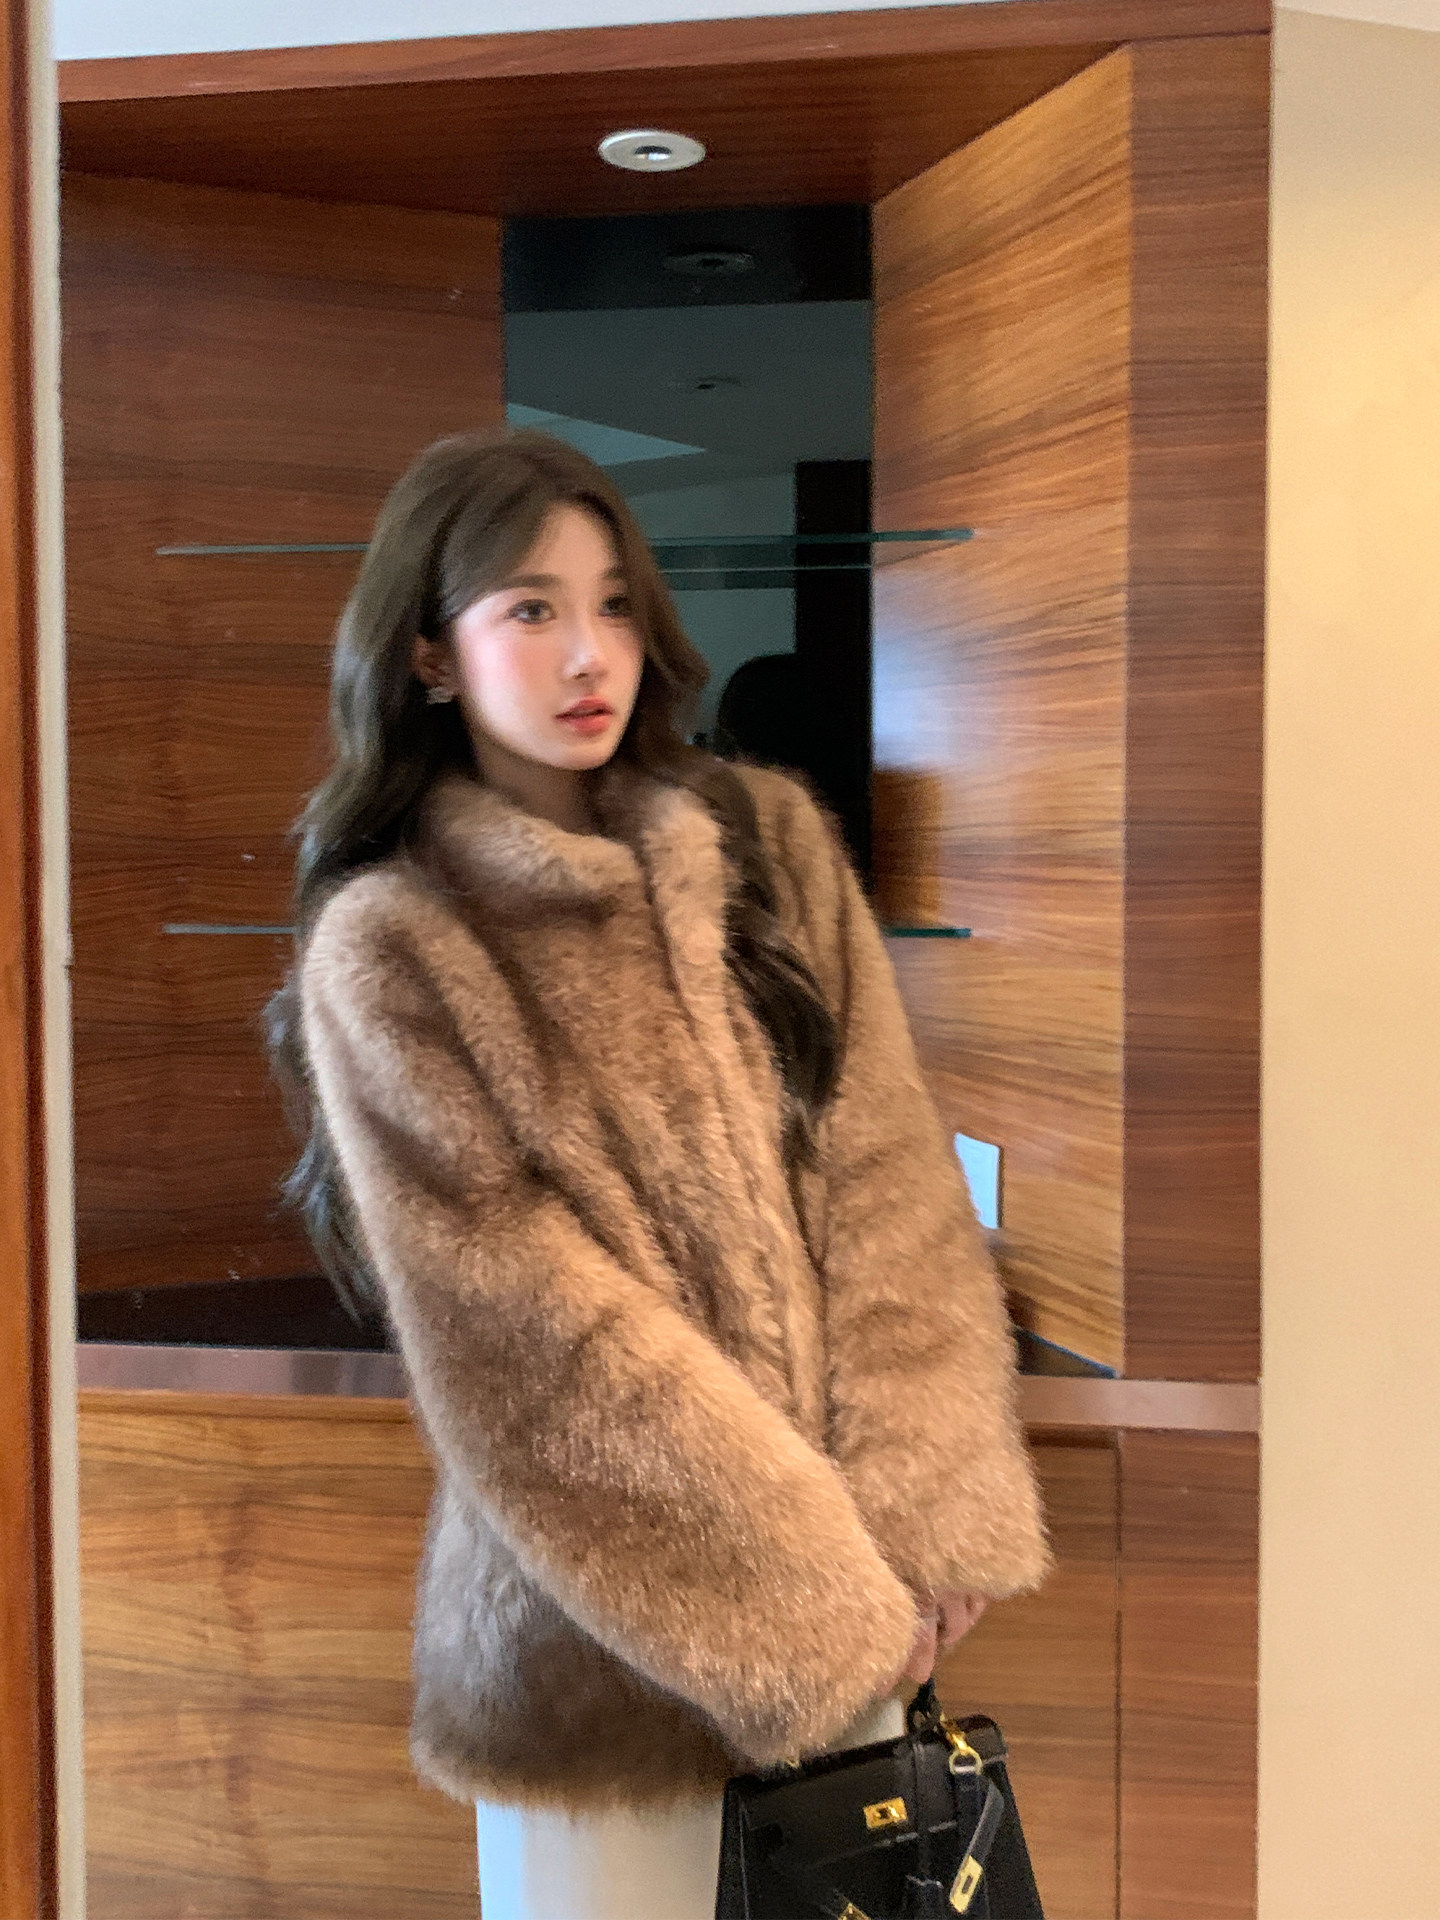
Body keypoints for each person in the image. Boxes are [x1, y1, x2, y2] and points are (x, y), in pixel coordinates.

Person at [268, 430, 1049, 1920]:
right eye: (532, 608)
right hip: (597, 1679)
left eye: (614, 602)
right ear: (429, 653)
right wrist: (819, 1608)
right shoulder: (396, 945)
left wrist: (926, 1517)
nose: (590, 653)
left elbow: (888, 1182)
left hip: (867, 1624)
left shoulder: (769, 847)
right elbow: (533, 1348)